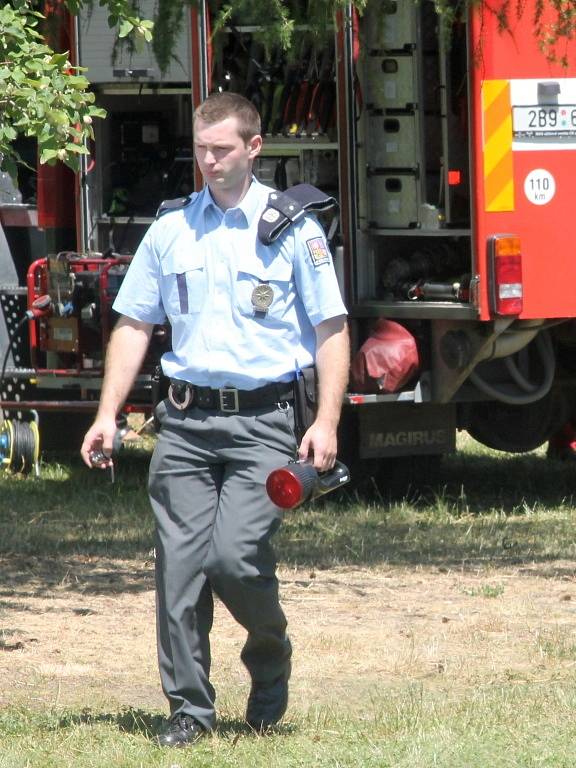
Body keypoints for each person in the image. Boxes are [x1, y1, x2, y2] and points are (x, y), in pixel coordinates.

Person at [80, 91, 349, 746]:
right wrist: (107, 414)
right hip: (187, 424)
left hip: (265, 421)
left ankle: (269, 655)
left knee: (233, 556)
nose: (208, 160)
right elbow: (136, 322)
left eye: (221, 148)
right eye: (200, 149)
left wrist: (327, 424)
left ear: (254, 149)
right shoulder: (172, 228)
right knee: (180, 571)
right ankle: (190, 711)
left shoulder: (294, 229)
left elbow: (332, 329)